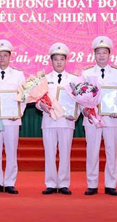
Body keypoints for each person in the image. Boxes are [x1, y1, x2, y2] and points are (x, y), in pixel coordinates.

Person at [81, 36, 117, 196]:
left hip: (112, 118)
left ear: (109, 54)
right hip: (92, 119)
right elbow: (80, 94)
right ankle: (92, 184)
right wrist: (84, 110)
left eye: (104, 53)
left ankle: (110, 184)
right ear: (94, 54)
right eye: (98, 53)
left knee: (111, 151)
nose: (101, 56)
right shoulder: (86, 73)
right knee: (92, 151)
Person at [0, 39, 26, 194]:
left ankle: (9, 182)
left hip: (12, 119)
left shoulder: (18, 75)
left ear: (10, 56)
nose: (2, 58)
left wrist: (18, 112)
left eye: (5, 55)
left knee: (11, 151)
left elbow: (23, 97)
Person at [38, 42, 77, 195]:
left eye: (62, 59)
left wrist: (76, 114)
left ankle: (64, 183)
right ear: (51, 61)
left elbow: (79, 100)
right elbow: (37, 100)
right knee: (49, 153)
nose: (59, 62)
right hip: (49, 121)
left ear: (66, 61)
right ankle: (51, 183)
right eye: (56, 59)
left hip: (67, 121)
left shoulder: (74, 79)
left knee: (65, 153)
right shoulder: (44, 79)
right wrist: (41, 106)